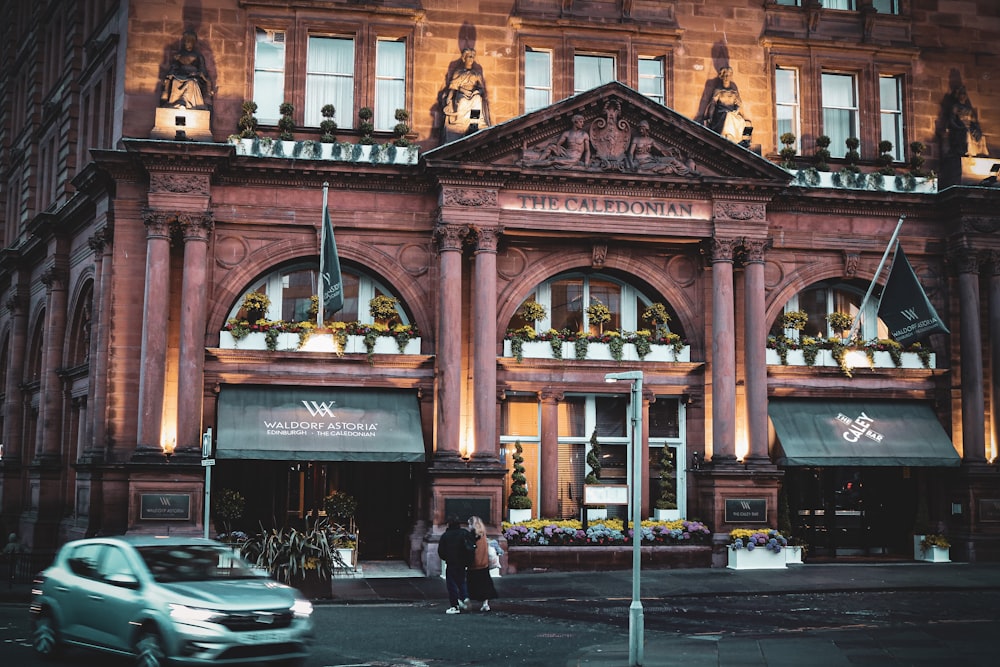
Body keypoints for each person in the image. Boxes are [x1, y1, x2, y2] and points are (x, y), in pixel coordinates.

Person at [441, 48, 491, 142]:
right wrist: (449, 98)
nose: (471, 59)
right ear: (464, 58)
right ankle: (460, 122)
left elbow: (482, 88)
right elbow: (453, 86)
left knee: (477, 99)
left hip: (474, 94)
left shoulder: (476, 74)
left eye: (473, 57)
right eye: (469, 57)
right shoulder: (458, 72)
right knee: (462, 101)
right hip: (461, 94)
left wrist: (478, 92)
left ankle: (474, 122)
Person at [160, 30, 212, 110]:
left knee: (191, 83)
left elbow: (202, 70)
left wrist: (199, 74)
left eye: (190, 42)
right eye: (186, 42)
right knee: (175, 82)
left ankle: (188, 104)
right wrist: (172, 74)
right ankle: (175, 103)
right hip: (180, 76)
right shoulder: (179, 55)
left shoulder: (198, 56)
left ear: (193, 43)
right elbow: (174, 67)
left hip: (193, 77)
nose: (188, 44)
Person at [626, 120, 697, 175]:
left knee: (672, 160)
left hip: (652, 160)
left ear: (647, 129)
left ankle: (688, 171)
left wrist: (671, 149)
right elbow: (630, 153)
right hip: (641, 162)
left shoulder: (651, 140)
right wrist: (631, 164)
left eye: (642, 128)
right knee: (667, 167)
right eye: (640, 128)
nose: (641, 130)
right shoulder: (636, 139)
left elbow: (661, 150)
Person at [703, 67, 748, 144]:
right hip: (720, 115)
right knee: (727, 116)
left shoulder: (734, 92)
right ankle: (727, 138)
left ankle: (739, 140)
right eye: (725, 75)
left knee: (742, 121)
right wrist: (710, 117)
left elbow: (738, 105)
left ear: (731, 77)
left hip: (733, 114)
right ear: (722, 76)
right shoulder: (718, 91)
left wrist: (736, 110)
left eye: (728, 75)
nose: (727, 77)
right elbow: (713, 105)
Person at [437, 515, 471, 614]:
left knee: (451, 584)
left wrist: (446, 557)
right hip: (462, 563)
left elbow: (441, 551)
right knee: (462, 582)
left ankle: (454, 606)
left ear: (448, 524)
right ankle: (465, 597)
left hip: (451, 562)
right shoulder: (464, 533)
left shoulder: (446, 535)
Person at [465, 515, 498, 612]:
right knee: (484, 585)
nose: (468, 526)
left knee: (472, 584)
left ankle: (467, 602)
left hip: (474, 564)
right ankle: (485, 604)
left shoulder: (472, 535)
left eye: (469, 524)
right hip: (484, 564)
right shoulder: (483, 534)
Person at [948, 85, 989, 157]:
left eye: (964, 94)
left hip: (969, 127)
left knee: (979, 134)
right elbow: (952, 120)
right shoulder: (955, 106)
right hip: (960, 128)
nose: (963, 96)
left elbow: (973, 120)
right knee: (966, 132)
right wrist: (959, 127)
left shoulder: (968, 108)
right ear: (958, 95)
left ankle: (981, 153)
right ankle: (967, 151)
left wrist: (976, 128)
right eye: (961, 94)